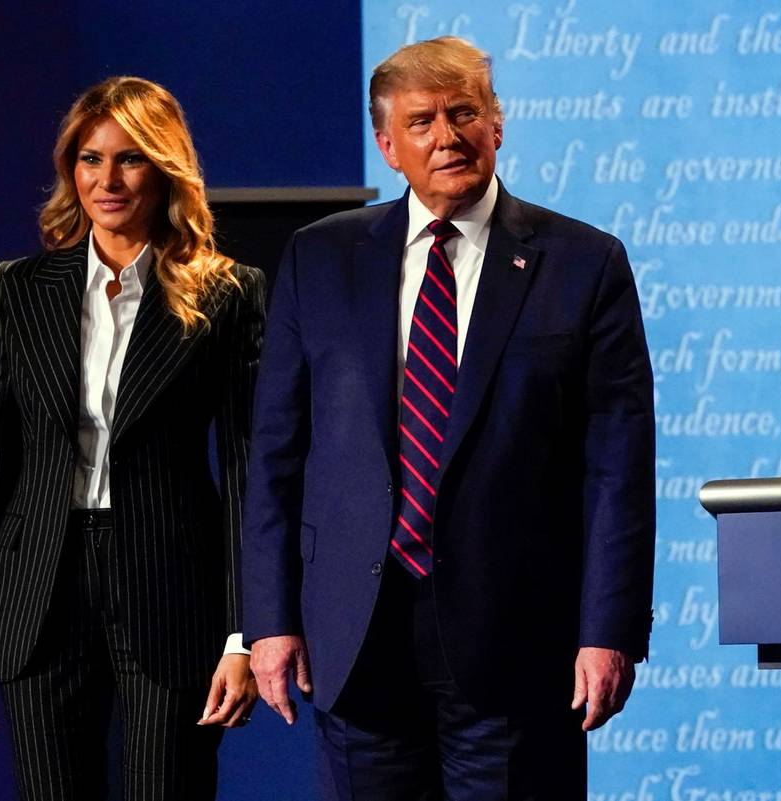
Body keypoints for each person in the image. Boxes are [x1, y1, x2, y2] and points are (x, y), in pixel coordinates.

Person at [243, 37, 655, 799]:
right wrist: (266, 619)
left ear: (498, 125)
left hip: (519, 641)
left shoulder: (583, 262)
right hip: (356, 635)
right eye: (423, 119)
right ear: (387, 145)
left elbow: (618, 470)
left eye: (465, 112)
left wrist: (609, 630)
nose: (447, 135)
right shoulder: (319, 259)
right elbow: (275, 455)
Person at [0, 76, 263, 800]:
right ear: (70, 171)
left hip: (171, 584)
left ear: (165, 168)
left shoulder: (228, 293)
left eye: (130, 159)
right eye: (90, 159)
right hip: (40, 589)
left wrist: (244, 634)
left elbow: (248, 472)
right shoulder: (19, 289)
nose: (107, 179)